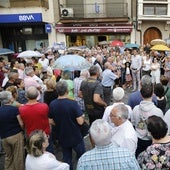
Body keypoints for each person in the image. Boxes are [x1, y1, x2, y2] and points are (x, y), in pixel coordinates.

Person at [49, 81, 85, 170]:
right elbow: (80, 122)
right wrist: (83, 117)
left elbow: (50, 120)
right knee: (82, 156)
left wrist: (58, 123)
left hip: (62, 134)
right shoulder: (72, 103)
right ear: (67, 91)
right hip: (75, 135)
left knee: (67, 157)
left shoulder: (52, 104)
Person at [131, 80, 164, 157]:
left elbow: (132, 123)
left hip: (138, 137)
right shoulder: (157, 111)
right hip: (151, 139)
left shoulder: (135, 109)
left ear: (141, 95)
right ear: (153, 94)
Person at [19, 86, 53, 153]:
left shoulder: (21, 109)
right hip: (45, 134)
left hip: (31, 135)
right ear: (37, 95)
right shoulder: (44, 106)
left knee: (34, 154)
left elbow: (22, 124)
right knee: (48, 153)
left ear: (26, 96)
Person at [0, 91, 25, 170]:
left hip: (4, 136)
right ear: (10, 99)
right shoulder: (14, 109)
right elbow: (21, 123)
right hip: (15, 135)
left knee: (8, 157)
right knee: (18, 157)